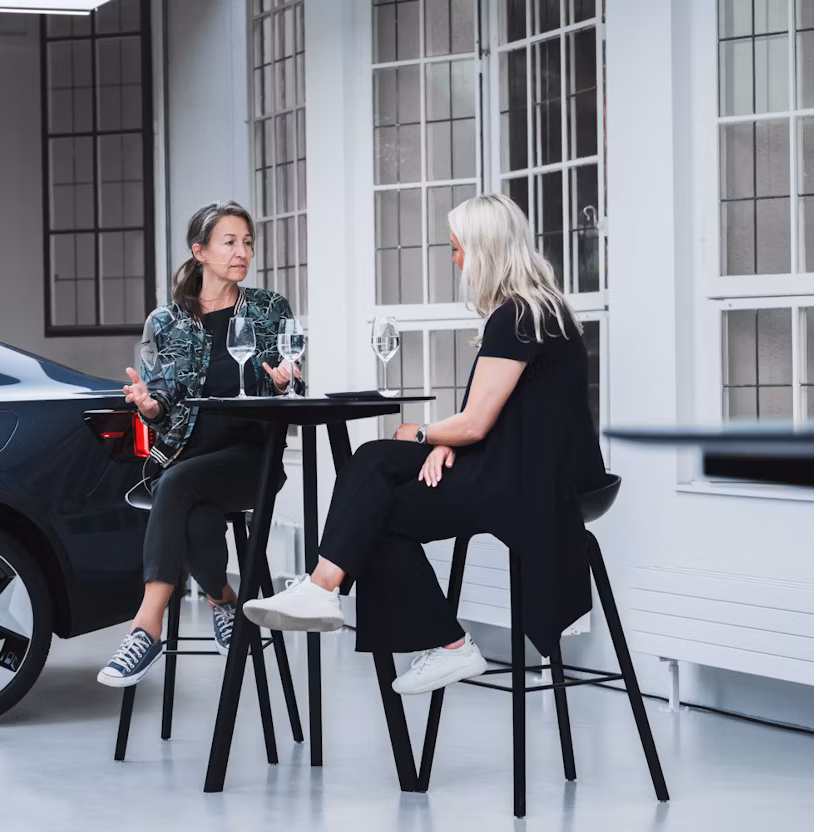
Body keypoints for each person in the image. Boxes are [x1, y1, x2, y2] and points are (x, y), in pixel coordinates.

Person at [243, 193, 608, 695]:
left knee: (374, 464)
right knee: (374, 510)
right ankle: (441, 643)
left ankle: (329, 589)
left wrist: (422, 433)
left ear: (484, 251)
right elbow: (510, 413)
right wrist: (446, 441)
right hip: (532, 469)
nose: (455, 259)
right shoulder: (543, 312)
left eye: (458, 248)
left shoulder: (516, 317)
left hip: (526, 483)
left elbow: (479, 422)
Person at [97, 200, 303, 688]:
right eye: (229, 242)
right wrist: (148, 407)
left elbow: (291, 378)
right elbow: (162, 400)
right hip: (188, 456)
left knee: (178, 487)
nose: (242, 252)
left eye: (247, 242)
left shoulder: (270, 308)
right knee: (193, 506)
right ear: (201, 251)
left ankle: (145, 628)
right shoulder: (165, 322)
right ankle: (224, 600)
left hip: (252, 457)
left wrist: (280, 382)